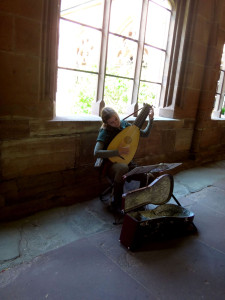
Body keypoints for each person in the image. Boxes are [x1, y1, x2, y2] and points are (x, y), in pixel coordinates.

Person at [94, 106, 154, 213]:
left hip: (126, 161)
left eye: (116, 119)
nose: (115, 123)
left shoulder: (125, 125)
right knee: (122, 168)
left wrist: (151, 120)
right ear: (107, 123)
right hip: (111, 164)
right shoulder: (105, 131)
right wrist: (118, 151)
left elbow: (145, 134)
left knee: (147, 176)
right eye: (111, 122)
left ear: (117, 115)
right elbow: (96, 153)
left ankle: (138, 201)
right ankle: (117, 202)